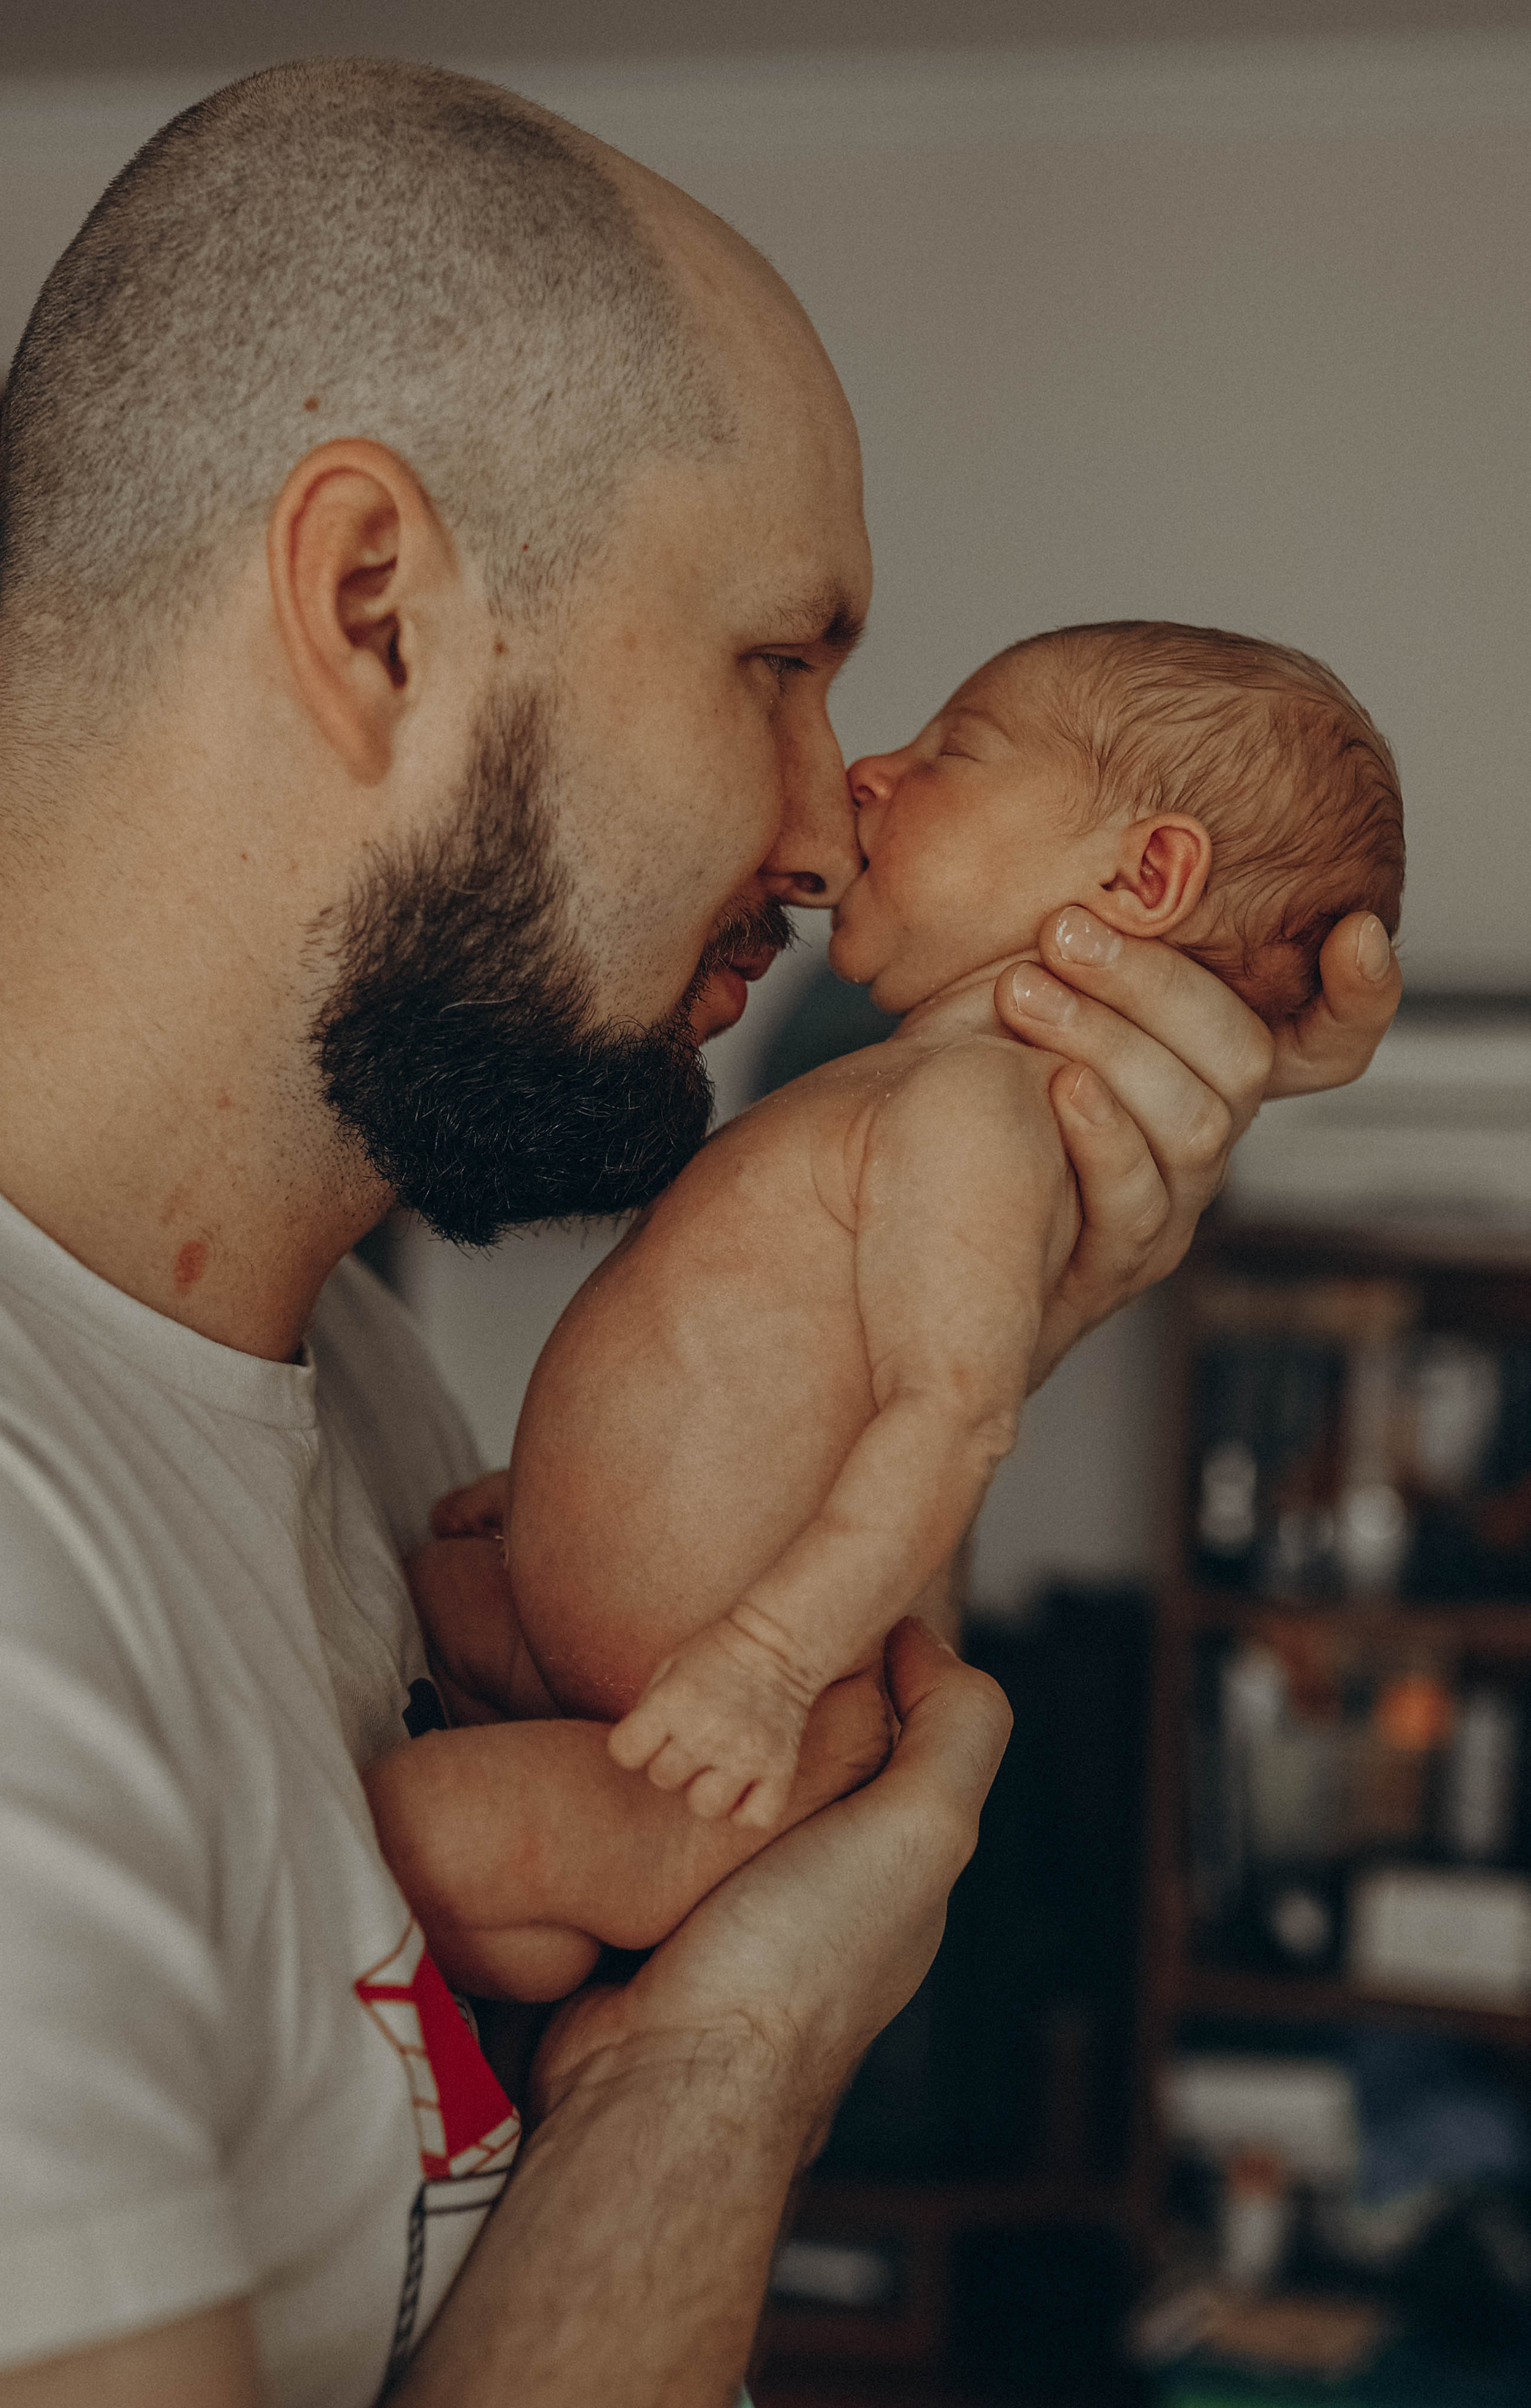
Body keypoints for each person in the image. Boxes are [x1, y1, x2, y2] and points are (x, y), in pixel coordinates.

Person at [0, 62, 1400, 2408]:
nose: (835, 835)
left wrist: (698, 2059)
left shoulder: (373, 1405)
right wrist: (726, 2082)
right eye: (778, 663)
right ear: (377, 612)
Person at [365, 620, 1404, 1998]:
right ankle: (551, 1928)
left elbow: (949, 1414)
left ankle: (632, 1878)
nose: (865, 771)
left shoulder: (975, 1116)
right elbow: (785, 1370)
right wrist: (576, 1505)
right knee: (412, 1606)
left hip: (721, 1746)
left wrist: (766, 1662)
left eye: (950, 753)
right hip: (602, 1657)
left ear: (1141, 875)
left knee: (424, 1821)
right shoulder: (902, 1090)